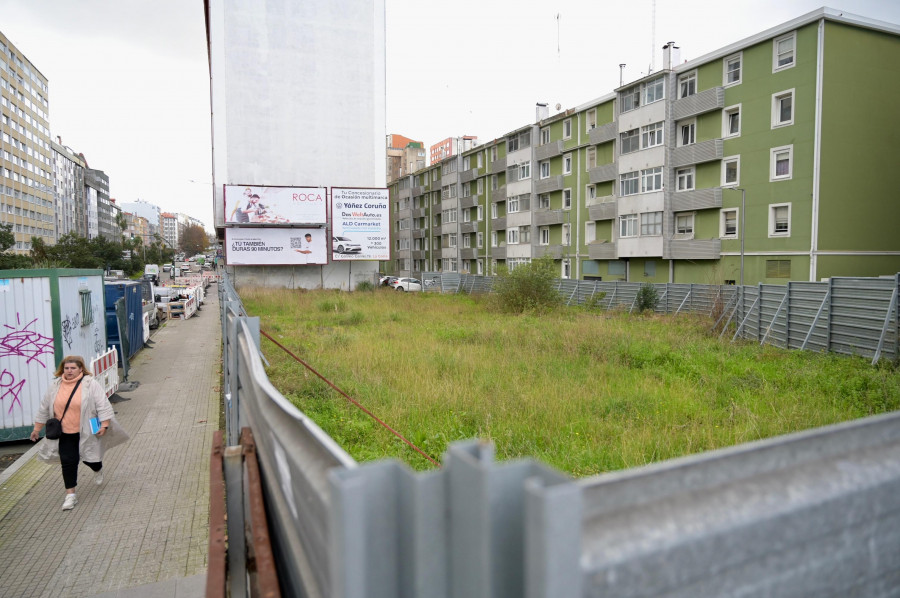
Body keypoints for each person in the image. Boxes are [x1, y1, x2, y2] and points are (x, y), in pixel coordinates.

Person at [31, 356, 115, 511]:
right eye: (66, 368)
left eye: (73, 368)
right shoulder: (55, 386)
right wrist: (37, 429)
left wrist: (105, 424)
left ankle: (97, 468)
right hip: (64, 432)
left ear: (81, 369)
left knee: (91, 458)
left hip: (86, 430)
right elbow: (44, 408)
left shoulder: (90, 384)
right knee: (68, 462)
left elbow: (102, 404)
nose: (69, 371)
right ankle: (70, 495)